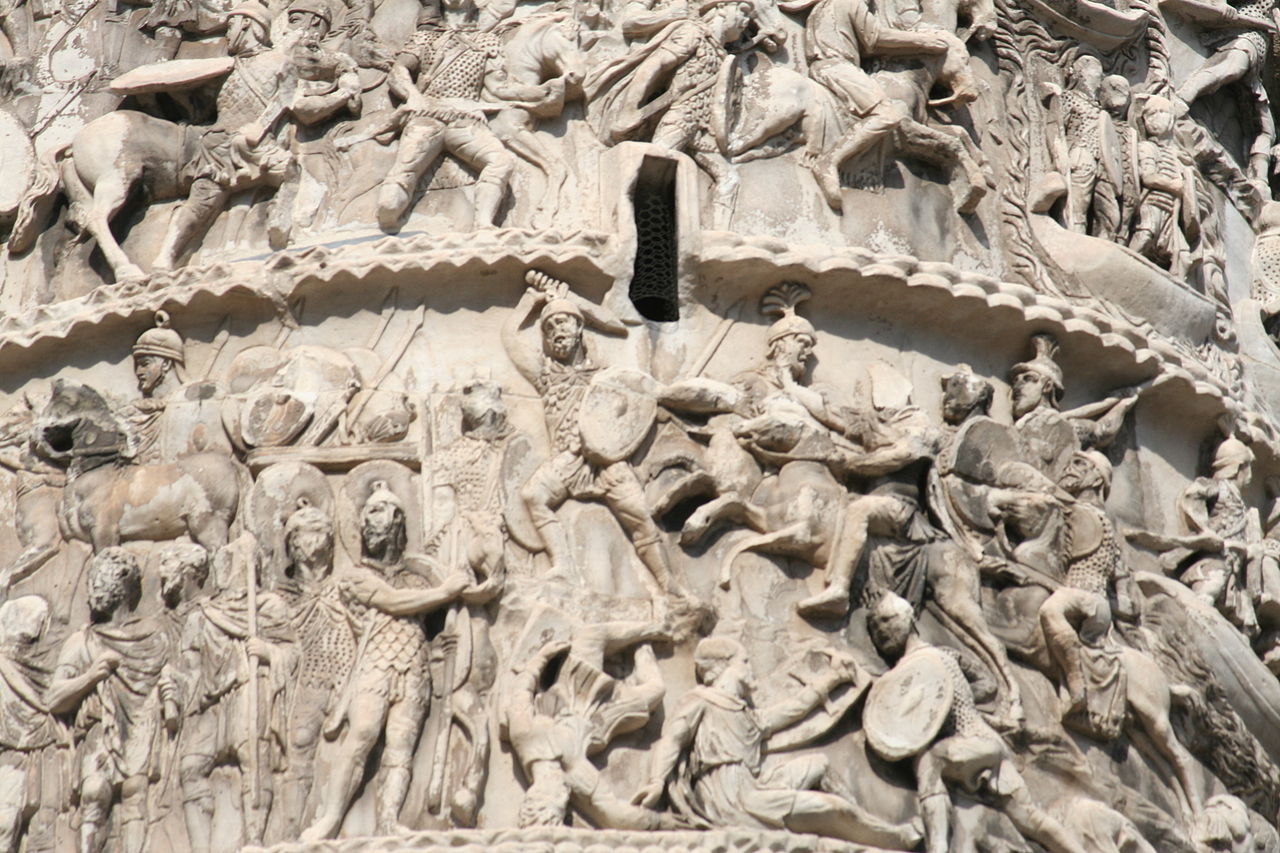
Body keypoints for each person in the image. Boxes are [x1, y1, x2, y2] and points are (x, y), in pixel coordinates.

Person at [632, 635, 922, 849]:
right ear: (725, 667)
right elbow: (673, 738)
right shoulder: (701, 701)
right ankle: (892, 837)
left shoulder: (745, 714)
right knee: (831, 809)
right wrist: (657, 781)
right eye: (744, 661)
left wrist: (832, 679)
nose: (749, 668)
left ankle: (852, 820)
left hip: (753, 784)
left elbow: (791, 709)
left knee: (818, 764)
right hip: (731, 799)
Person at [301, 481, 469, 840]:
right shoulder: (356, 576)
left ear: (397, 521)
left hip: (413, 666)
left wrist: (440, 645)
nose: (372, 523)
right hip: (375, 664)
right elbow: (393, 602)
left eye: (380, 513)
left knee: (401, 744)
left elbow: (422, 621)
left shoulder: (416, 574)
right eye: (368, 514)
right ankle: (330, 819)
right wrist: (445, 591)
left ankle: (389, 821)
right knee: (362, 735)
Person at [866, 593, 1087, 853]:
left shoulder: (936, 657)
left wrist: (967, 701)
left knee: (929, 761)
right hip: (979, 749)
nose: (882, 630)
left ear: (909, 617)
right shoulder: (899, 675)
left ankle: (937, 847)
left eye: (886, 620)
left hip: (974, 739)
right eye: (874, 628)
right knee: (1030, 818)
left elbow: (985, 684)